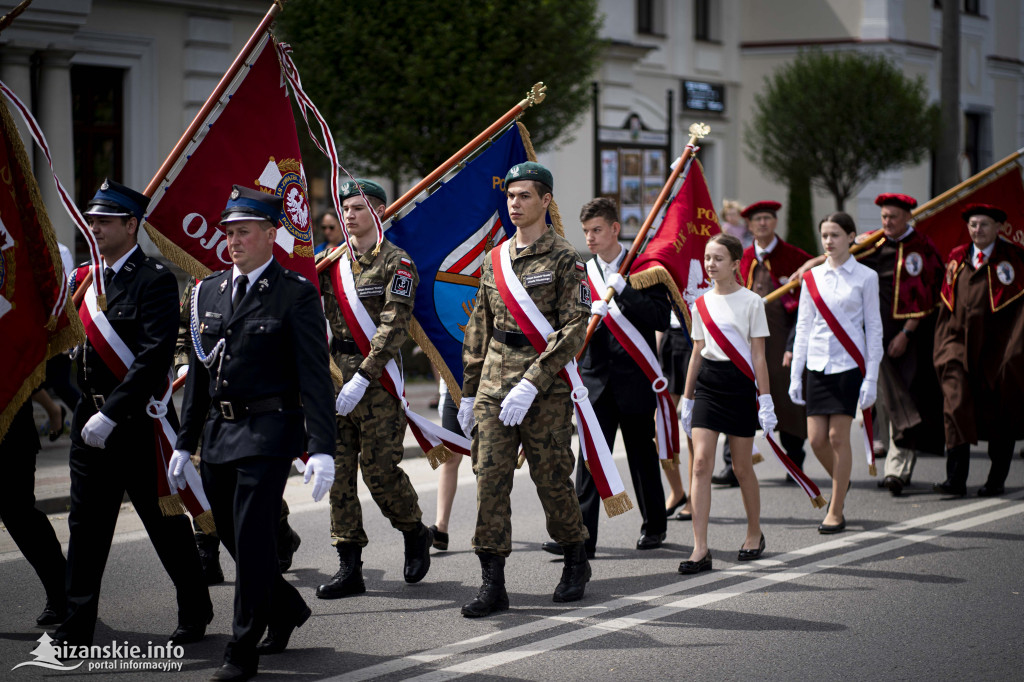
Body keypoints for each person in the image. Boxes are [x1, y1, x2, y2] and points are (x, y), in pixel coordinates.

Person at [171, 185, 336, 681]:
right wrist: (185, 440)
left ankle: (240, 650)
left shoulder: (295, 293)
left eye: (244, 231)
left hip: (269, 431)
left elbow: (313, 375)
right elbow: (200, 374)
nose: (234, 240)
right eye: (229, 232)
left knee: (252, 533)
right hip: (220, 433)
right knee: (235, 538)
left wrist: (321, 448)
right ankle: (285, 607)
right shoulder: (210, 290)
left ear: (269, 234)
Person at [54, 180, 212, 648]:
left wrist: (114, 414)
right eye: (91, 220)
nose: (94, 227)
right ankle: (77, 622)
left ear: (131, 225)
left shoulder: (154, 280)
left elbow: (152, 356)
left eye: (104, 220)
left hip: (136, 422)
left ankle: (194, 609)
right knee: (86, 526)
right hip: (89, 418)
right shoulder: (86, 278)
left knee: (162, 522)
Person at [459, 161, 591, 617]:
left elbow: (576, 327)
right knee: (488, 481)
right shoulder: (495, 259)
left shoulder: (565, 258)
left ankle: (575, 557)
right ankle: (492, 581)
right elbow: (480, 327)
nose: (515, 204)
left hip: (545, 389)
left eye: (525, 196)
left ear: (546, 201)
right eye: (511, 196)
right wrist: (467, 391)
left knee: (552, 480)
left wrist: (533, 382)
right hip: (495, 384)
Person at [314, 179, 433, 600]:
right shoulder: (333, 264)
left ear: (379, 212)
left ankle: (414, 530)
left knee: (379, 472)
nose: (348, 215)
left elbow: (394, 323)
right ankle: (349, 566)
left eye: (358, 208)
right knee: (339, 475)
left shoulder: (397, 263)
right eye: (344, 208)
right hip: (334, 376)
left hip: (377, 381)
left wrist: (363, 376)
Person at [540, 197, 670, 558]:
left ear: (615, 228)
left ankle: (654, 527)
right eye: (586, 232)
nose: (591, 238)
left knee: (643, 457)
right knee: (591, 459)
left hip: (635, 380)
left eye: (596, 230)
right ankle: (584, 537)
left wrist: (625, 292)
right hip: (594, 381)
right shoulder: (582, 272)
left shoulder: (644, 269)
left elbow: (660, 318)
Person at [174, 279, 303, 585]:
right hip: (204, 392)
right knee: (205, 474)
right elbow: (183, 328)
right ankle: (207, 552)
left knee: (247, 481)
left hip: (246, 397)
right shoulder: (199, 284)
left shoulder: (262, 280)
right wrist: (183, 364)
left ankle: (280, 531)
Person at [679, 233, 775, 575]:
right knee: (701, 464)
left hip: (739, 386)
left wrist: (765, 401)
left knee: (741, 467)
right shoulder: (700, 303)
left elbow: (759, 357)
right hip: (708, 386)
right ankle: (700, 548)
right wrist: (687, 399)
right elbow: (696, 353)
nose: (710, 264)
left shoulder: (752, 302)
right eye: (707, 258)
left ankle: (754, 533)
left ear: (736, 264)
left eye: (718, 258)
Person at [789, 213, 882, 533]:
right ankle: (841, 481)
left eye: (836, 235)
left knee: (836, 437)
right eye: (825, 235)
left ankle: (836, 508)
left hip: (847, 365)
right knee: (816, 440)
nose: (829, 241)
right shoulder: (812, 277)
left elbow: (874, 329)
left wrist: (871, 377)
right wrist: (795, 374)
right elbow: (803, 327)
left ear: (851, 237)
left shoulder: (866, 277)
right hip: (816, 364)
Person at [713, 201, 810, 486]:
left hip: (780, 343)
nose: (763, 224)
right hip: (743, 345)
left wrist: (794, 345)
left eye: (768, 218)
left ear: (775, 222)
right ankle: (733, 466)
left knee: (786, 401)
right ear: (750, 226)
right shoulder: (739, 259)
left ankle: (794, 463)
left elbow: (806, 306)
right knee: (738, 401)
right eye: (757, 220)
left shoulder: (795, 258)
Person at [932, 204, 1024, 497]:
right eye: (973, 224)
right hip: (958, 344)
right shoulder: (957, 258)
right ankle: (955, 479)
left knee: (1000, 413)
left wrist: (1014, 352)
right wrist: (943, 346)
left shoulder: (1013, 259)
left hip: (998, 348)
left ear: (998, 227)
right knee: (955, 403)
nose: (977, 230)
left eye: (984, 224)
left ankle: (996, 480)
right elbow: (946, 306)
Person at [857, 193, 945, 496]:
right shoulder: (875, 243)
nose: (887, 222)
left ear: (908, 217)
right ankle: (897, 466)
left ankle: (897, 469)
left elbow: (929, 293)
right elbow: (843, 262)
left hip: (908, 336)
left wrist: (906, 333)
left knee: (903, 399)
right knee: (887, 400)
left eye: (893, 217)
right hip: (876, 333)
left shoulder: (922, 249)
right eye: (883, 217)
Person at [0, 401, 67, 626]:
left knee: (18, 513)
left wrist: (51, 408)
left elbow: (22, 371)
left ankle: (62, 593)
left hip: (9, 427)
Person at [659, 305, 695, 520]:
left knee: (693, 430)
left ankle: (694, 497)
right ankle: (677, 491)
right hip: (670, 339)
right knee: (659, 426)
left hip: (696, 336)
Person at [430, 378, 464, 551]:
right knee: (450, 457)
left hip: (488, 385)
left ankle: (491, 528)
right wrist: (444, 391)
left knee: (487, 459)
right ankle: (441, 528)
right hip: (455, 386)